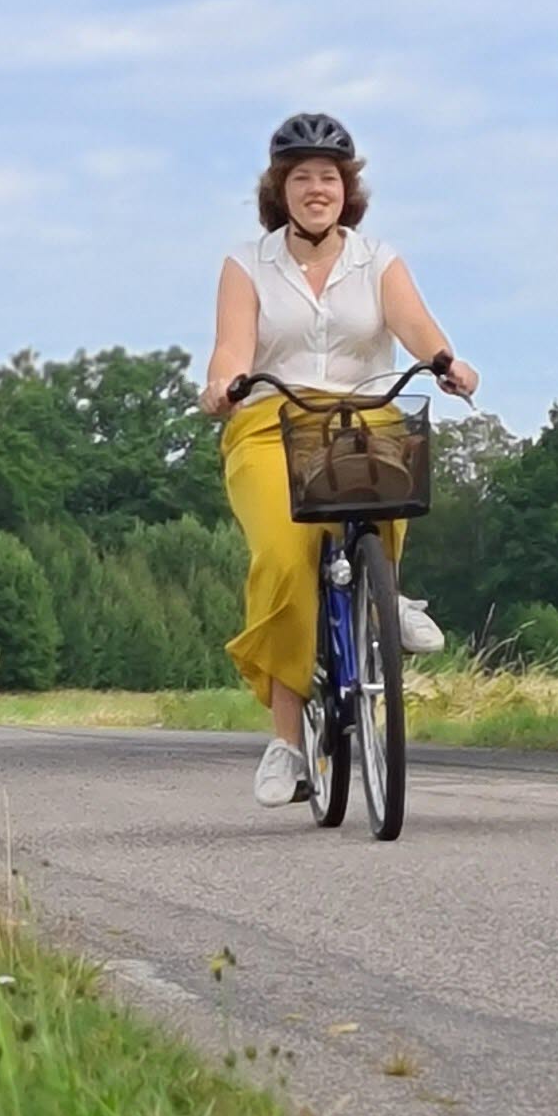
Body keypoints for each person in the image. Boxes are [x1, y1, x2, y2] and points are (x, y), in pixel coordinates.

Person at [202, 113, 478, 805]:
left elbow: (413, 324)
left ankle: (389, 590)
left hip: (363, 414)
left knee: (393, 476)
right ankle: (287, 744)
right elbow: (233, 345)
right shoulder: (247, 263)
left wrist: (443, 360)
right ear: (280, 190)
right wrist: (221, 383)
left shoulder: (376, 258)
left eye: (327, 177)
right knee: (285, 556)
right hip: (273, 419)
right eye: (301, 178)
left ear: (346, 189)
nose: (315, 189)